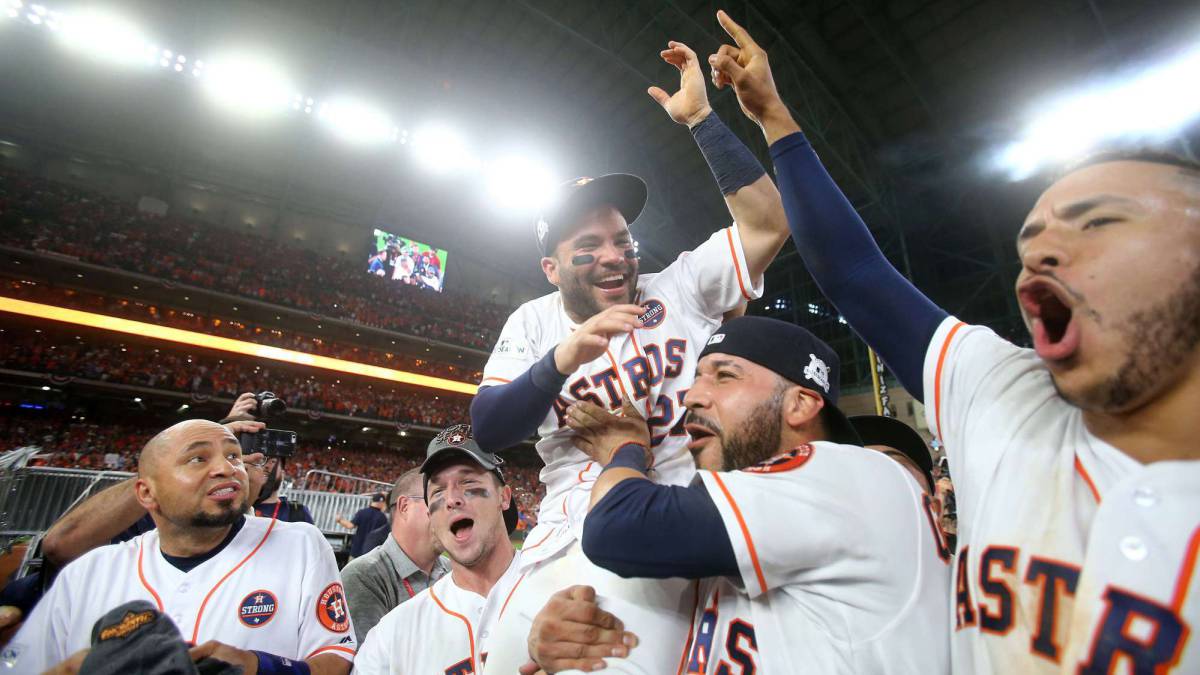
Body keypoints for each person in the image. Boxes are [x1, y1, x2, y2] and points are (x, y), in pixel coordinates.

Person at [707, 9, 1200, 672]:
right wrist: (773, 117)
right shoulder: (999, 389)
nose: (1040, 251)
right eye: (1028, 238)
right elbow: (855, 274)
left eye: (1096, 223)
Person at [470, 36, 790, 673]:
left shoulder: (679, 285)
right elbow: (489, 427)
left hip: (682, 518)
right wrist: (560, 359)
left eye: (621, 239)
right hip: (571, 536)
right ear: (551, 266)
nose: (614, 255)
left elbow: (767, 224)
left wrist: (701, 120)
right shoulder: (534, 322)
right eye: (588, 247)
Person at [538, 317, 949, 673]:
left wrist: (626, 451)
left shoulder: (853, 471)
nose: (692, 395)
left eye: (724, 375)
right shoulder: (749, 543)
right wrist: (565, 633)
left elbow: (618, 526)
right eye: (698, 376)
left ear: (801, 405)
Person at [6, 419, 356, 674]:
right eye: (198, 459)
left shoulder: (300, 543)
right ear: (146, 493)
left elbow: (336, 657)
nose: (226, 468)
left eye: (234, 456)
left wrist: (258, 667)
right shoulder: (89, 572)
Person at [354, 425, 545, 674]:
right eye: (438, 490)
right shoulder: (392, 635)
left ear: (504, 497)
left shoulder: (563, 589)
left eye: (468, 482)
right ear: (431, 516)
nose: (452, 499)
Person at [341, 468, 449, 643]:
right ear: (404, 507)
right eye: (439, 500)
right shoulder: (363, 577)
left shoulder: (453, 571)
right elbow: (368, 667)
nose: (451, 512)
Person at [252, 454, 315, 524]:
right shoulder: (240, 507)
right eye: (261, 461)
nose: (266, 466)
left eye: (273, 462)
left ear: (283, 474)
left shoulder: (298, 512)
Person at [336, 493, 389, 559]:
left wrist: (340, 520)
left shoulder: (362, 512)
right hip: (371, 553)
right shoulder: (382, 517)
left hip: (356, 551)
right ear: (381, 502)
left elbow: (350, 526)